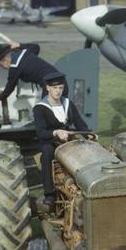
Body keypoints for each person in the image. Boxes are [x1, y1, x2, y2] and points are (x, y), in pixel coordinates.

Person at [33, 71, 90, 207]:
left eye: (61, 88)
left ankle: (84, 187)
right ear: (48, 88)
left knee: (86, 150)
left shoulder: (68, 103)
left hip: (67, 140)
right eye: (55, 88)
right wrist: (56, 132)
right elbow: (40, 133)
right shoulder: (40, 108)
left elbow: (80, 123)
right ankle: (49, 194)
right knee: (46, 153)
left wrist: (89, 135)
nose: (58, 91)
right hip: (49, 142)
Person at [0, 42, 59, 106]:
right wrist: (19, 45)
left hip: (51, 86)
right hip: (60, 80)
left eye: (1, 65)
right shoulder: (25, 52)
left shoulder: (15, 68)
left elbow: (10, 86)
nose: (3, 68)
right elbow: (36, 47)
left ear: (5, 60)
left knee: (45, 110)